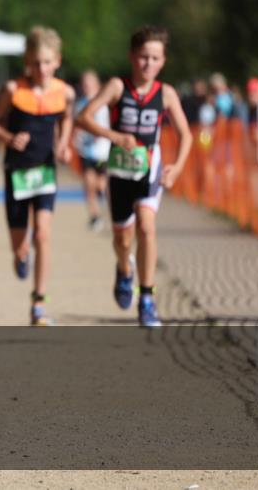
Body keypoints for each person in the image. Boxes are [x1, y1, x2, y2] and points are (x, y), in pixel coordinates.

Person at [77, 25, 192, 328]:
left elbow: (185, 134)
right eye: (143, 57)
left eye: (155, 58)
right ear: (132, 57)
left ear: (163, 61)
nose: (148, 64)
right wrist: (114, 135)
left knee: (146, 226)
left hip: (149, 169)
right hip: (119, 172)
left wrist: (177, 166)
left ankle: (147, 298)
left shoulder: (166, 94)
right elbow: (83, 117)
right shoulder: (117, 87)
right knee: (122, 239)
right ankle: (123, 269)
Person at [0, 27, 75, 326]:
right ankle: (20, 256)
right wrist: (9, 138)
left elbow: (66, 119)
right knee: (21, 245)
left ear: (57, 61)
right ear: (27, 61)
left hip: (46, 171)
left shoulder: (65, 93)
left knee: (43, 234)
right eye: (36, 62)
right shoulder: (13, 90)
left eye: (47, 62)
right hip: (17, 173)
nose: (41, 69)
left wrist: (63, 145)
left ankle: (38, 302)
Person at [74, 70, 111, 231]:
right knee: (88, 184)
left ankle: (108, 209)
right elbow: (77, 124)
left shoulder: (103, 104)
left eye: (90, 83)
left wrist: (98, 132)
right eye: (84, 84)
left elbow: (105, 125)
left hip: (103, 151)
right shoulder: (80, 104)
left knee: (101, 185)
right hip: (86, 152)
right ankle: (95, 216)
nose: (87, 87)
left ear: (97, 85)